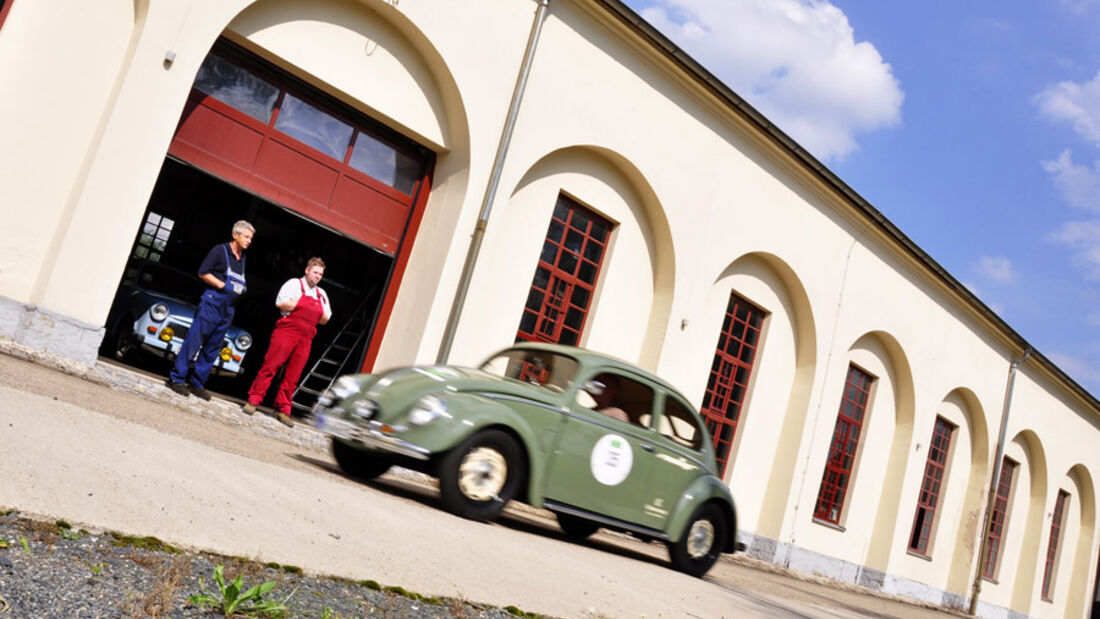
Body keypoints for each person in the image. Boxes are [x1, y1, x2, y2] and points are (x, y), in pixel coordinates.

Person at [165, 220, 254, 401]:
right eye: (246, 237)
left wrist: (242, 289)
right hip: (212, 302)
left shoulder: (242, 258)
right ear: (235, 235)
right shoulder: (219, 251)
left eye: (251, 238)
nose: (249, 241)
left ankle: (197, 383)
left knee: (213, 346)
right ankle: (177, 378)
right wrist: (224, 285)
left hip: (228, 308)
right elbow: (203, 272)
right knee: (194, 341)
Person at [241, 257, 333, 427]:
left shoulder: (322, 294)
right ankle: (253, 400)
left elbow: (326, 318)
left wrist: (303, 307)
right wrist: (305, 307)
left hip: (305, 338)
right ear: (307, 270)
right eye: (315, 272)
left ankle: (283, 409)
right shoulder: (293, 284)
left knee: (293, 375)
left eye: (320, 274)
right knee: (270, 366)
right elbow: (281, 303)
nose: (317, 276)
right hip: (287, 332)